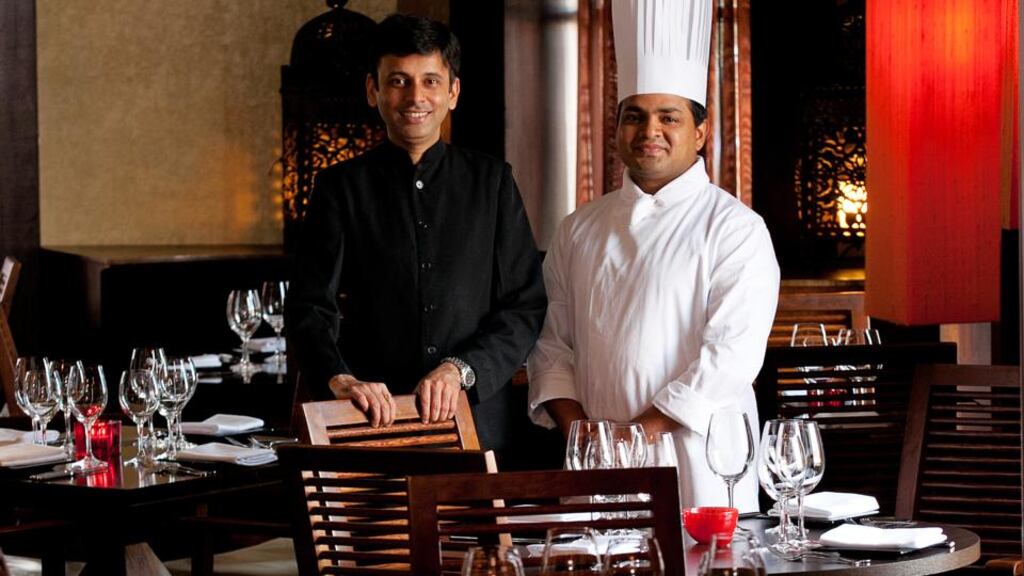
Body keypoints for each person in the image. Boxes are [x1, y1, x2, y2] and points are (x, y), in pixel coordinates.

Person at [527, 0, 779, 511]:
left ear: (700, 133)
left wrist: (639, 434)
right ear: (617, 127)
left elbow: (728, 358)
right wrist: (585, 437)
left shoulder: (736, 229)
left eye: (669, 117)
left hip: (703, 465)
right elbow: (551, 346)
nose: (650, 133)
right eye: (635, 117)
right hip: (596, 466)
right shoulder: (579, 229)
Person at [286, 14, 546, 454]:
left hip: (477, 424)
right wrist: (340, 377)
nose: (415, 97)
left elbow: (524, 305)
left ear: (453, 92)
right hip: (370, 424)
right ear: (374, 90)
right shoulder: (340, 187)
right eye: (399, 81)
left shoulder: (492, 182)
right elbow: (310, 306)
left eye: (430, 81)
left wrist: (461, 369)